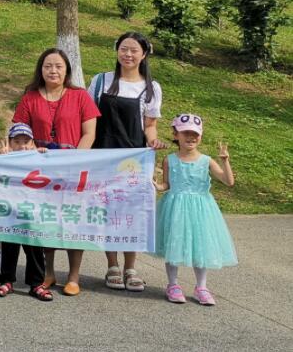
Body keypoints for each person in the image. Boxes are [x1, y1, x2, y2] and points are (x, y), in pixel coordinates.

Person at [6, 47, 100, 296]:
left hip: (73, 169)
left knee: (72, 221)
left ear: (67, 70)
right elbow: (18, 130)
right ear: (41, 69)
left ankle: (73, 276)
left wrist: (75, 159)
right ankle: (48, 273)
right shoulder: (30, 97)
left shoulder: (80, 96)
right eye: (48, 66)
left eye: (58, 66)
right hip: (41, 171)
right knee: (46, 220)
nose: (53, 70)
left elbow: (89, 133)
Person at [89, 31, 165, 293]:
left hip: (134, 160)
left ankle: (131, 268)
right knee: (108, 211)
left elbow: (150, 126)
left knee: (132, 214)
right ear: (117, 50)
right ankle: (112, 266)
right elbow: (89, 119)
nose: (128, 54)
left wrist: (153, 141)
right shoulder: (101, 81)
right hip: (103, 156)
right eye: (124, 49)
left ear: (144, 54)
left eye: (134, 50)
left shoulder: (151, 87)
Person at [155, 114, 237, 306]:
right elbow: (167, 184)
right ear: (176, 135)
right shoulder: (169, 160)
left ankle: (201, 287)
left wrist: (225, 161)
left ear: (200, 136)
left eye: (195, 134)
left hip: (201, 210)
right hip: (175, 207)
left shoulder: (206, 161)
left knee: (201, 245)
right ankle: (173, 284)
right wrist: (158, 186)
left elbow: (228, 181)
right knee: (173, 243)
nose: (191, 137)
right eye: (186, 133)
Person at [0, 123, 52, 302]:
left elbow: (53, 172)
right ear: (10, 143)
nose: (22, 146)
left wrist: (45, 155)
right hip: (10, 212)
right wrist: (1, 157)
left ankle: (36, 284)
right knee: (8, 246)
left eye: (26, 141)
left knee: (35, 248)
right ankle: (6, 281)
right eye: (17, 141)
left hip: (32, 212)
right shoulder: (5, 159)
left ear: (32, 143)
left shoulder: (39, 158)